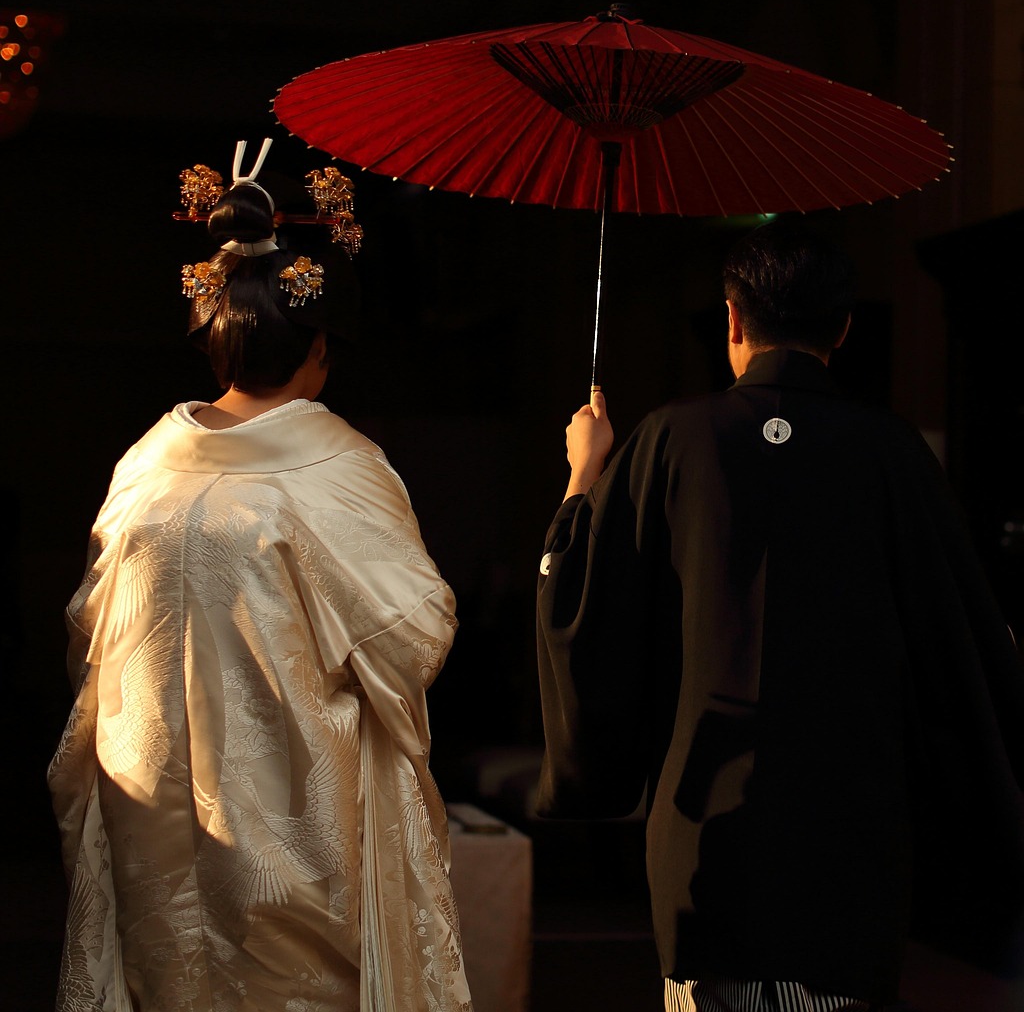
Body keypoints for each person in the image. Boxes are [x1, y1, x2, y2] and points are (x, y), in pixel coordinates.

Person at [535, 215, 1024, 1012]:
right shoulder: (893, 452)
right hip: (849, 834)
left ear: (732, 320)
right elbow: (963, 643)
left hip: (704, 827)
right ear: (843, 327)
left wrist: (583, 477)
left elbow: (583, 613)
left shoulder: (670, 439)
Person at [48, 141, 473, 1012]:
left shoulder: (143, 469)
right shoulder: (340, 470)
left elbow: (89, 638)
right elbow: (414, 640)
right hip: (291, 836)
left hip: (150, 821)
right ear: (319, 348)